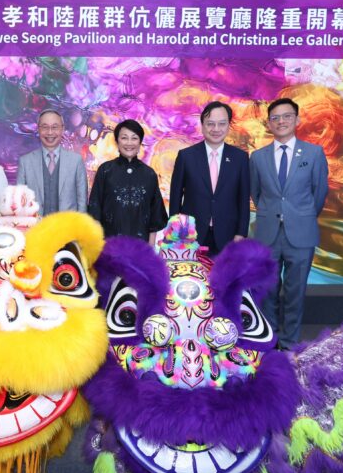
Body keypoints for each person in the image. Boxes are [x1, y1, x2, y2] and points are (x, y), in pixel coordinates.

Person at [249, 97, 329, 349]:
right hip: (268, 233)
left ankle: (290, 339)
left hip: (301, 233)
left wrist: (300, 215)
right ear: (268, 124)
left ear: (297, 120)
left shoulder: (314, 153)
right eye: (275, 118)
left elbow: (319, 192)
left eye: (286, 116)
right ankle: (270, 336)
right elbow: (256, 193)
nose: (281, 121)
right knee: (268, 289)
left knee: (295, 292)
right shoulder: (258, 157)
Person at [169, 100, 250, 254]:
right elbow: (175, 198)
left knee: (224, 277)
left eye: (222, 124)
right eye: (210, 123)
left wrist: (241, 233)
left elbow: (243, 199)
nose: (216, 129)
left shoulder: (240, 158)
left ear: (228, 125)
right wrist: (176, 230)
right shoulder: (186, 156)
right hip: (191, 235)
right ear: (202, 125)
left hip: (228, 234)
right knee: (192, 277)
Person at [88, 119, 168, 244]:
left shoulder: (149, 174)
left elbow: (155, 216)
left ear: (140, 142)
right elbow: (95, 209)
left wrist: (150, 250)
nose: (129, 143)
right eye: (124, 138)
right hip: (109, 247)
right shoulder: (105, 171)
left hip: (140, 247)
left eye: (134, 138)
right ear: (117, 141)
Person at [16, 109, 88, 214]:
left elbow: (82, 202)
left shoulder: (76, 161)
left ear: (62, 129)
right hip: (36, 228)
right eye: (45, 127)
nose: (50, 132)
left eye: (55, 127)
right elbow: (20, 202)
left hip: (67, 227)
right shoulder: (25, 162)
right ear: (38, 129)